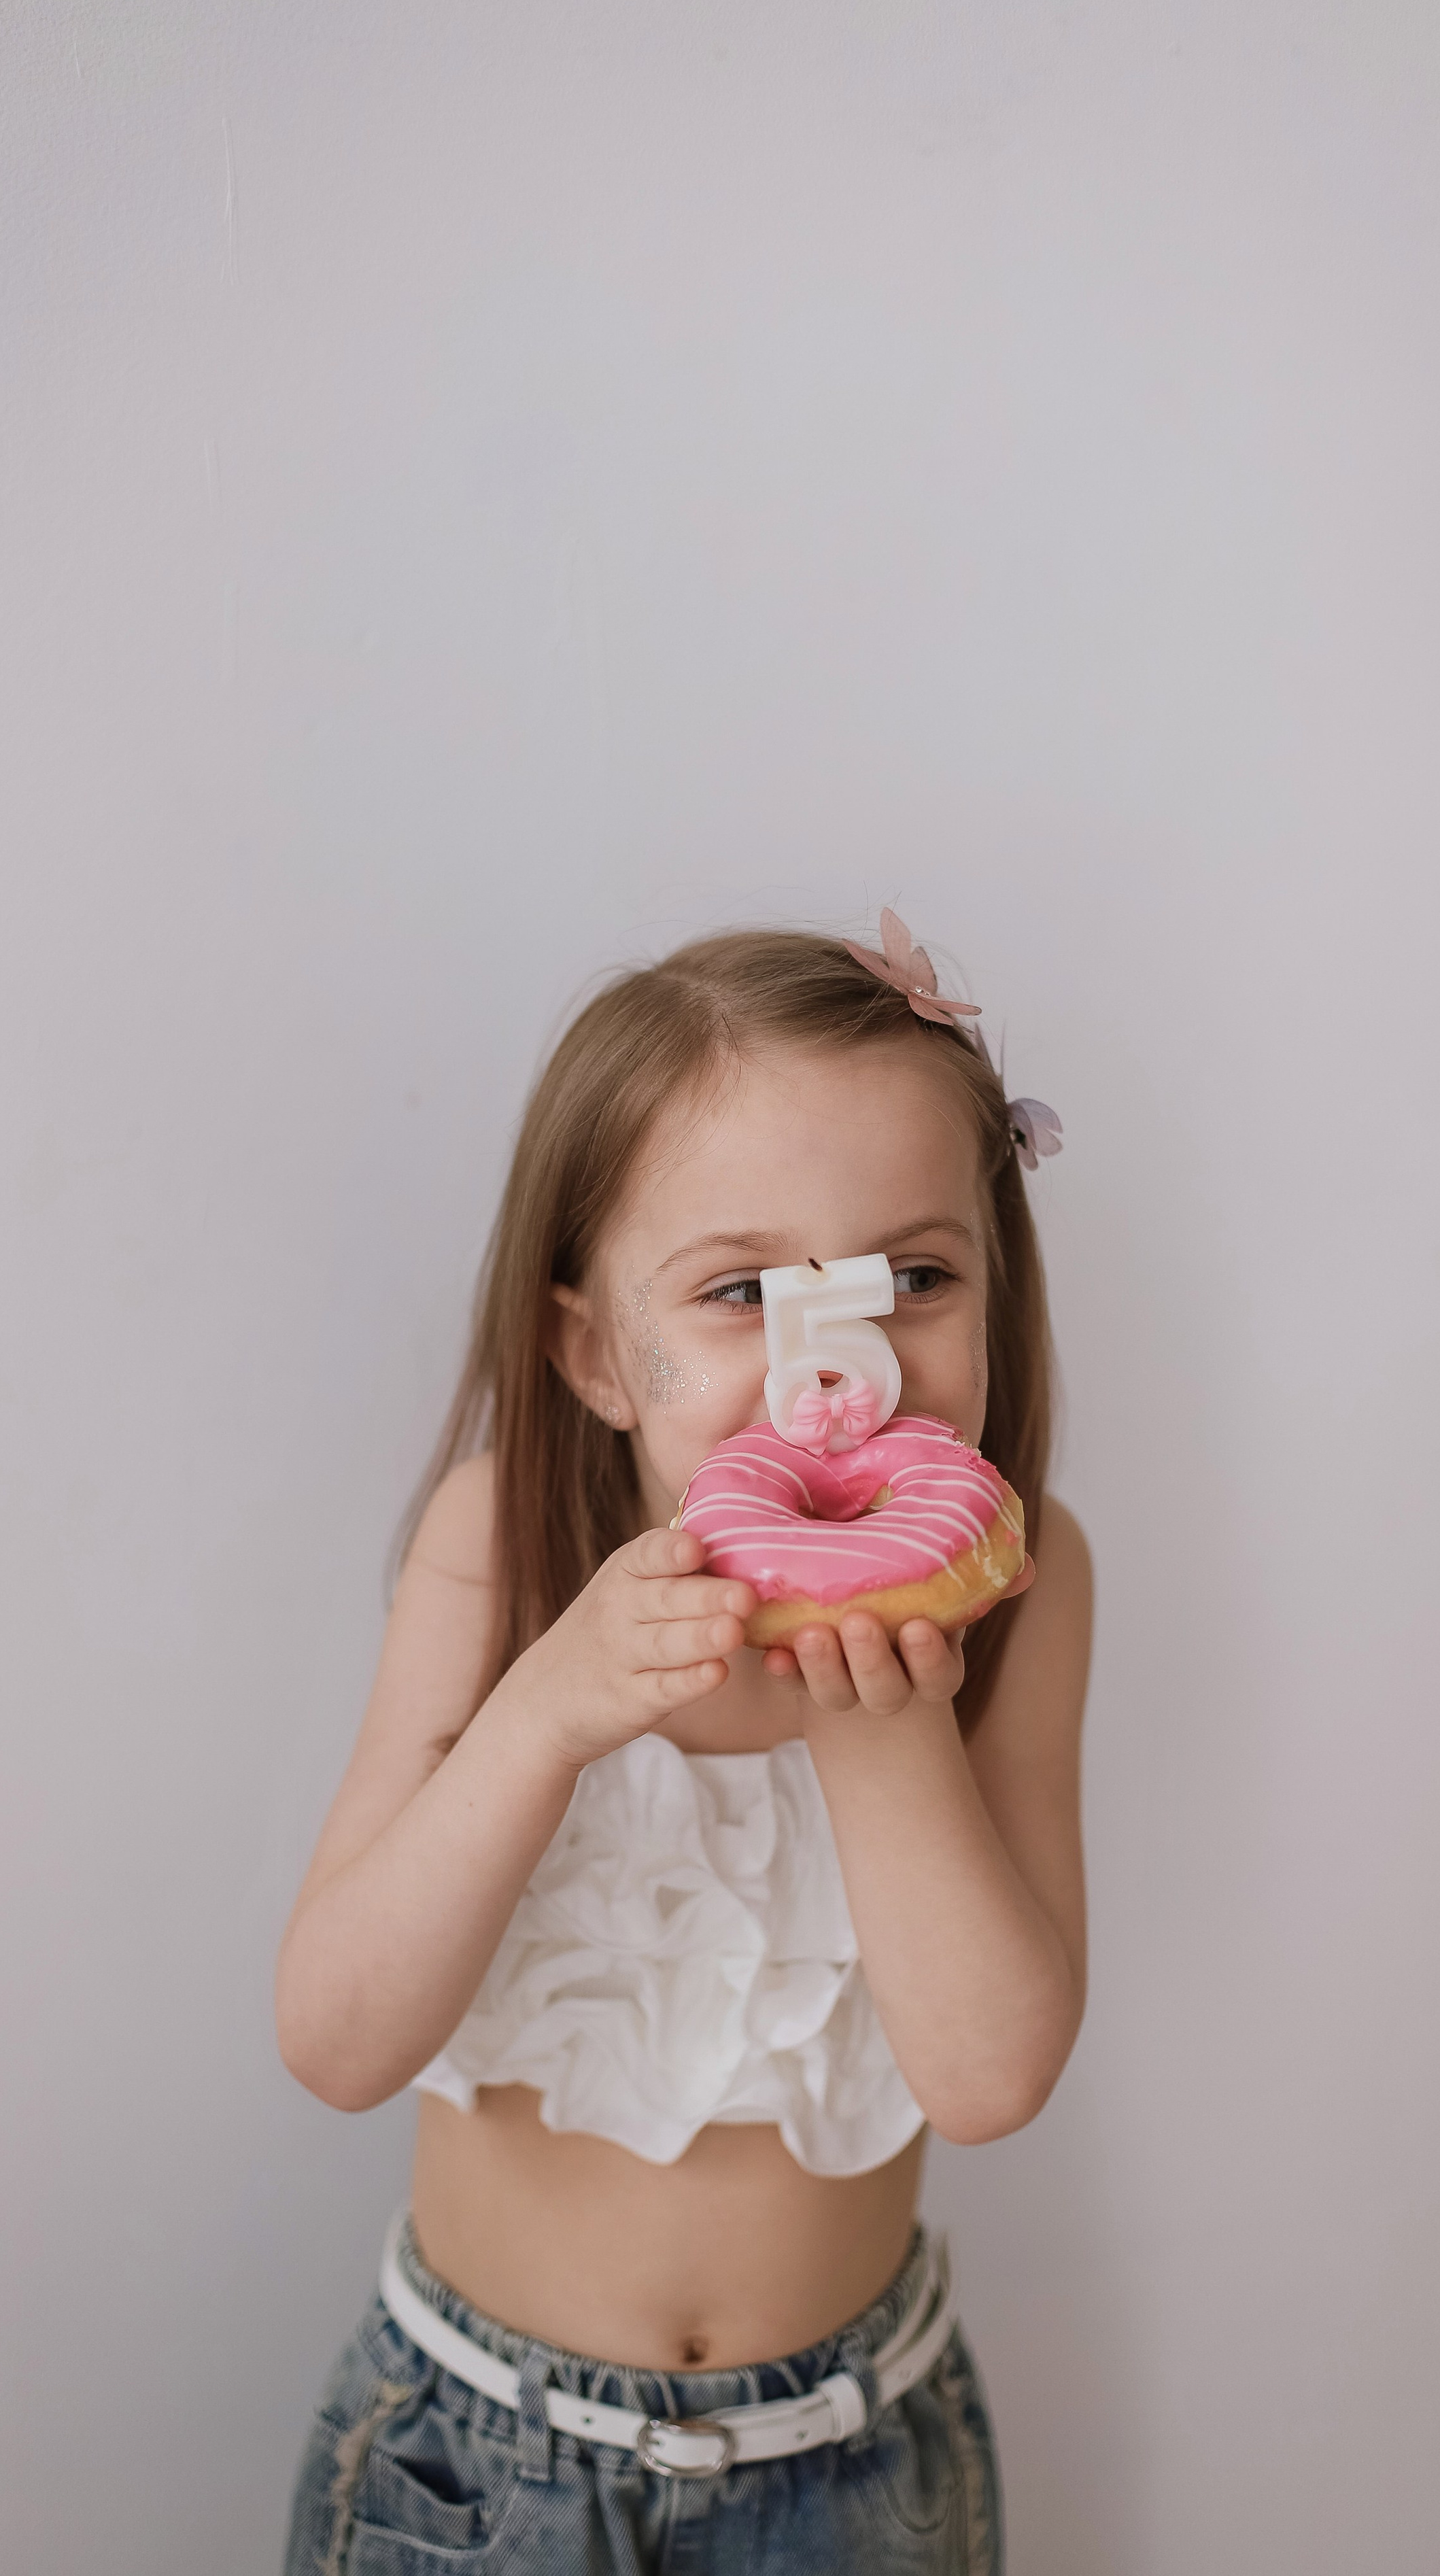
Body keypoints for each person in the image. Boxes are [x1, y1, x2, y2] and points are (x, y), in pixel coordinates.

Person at [276, 918, 1093, 2573]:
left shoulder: (1028, 1577)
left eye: (911, 1280)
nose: (837, 1372)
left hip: (850, 2470)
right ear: (596, 1354)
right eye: (741, 1295)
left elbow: (988, 2077)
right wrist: (546, 1713)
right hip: (473, 2457)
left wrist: (880, 1726)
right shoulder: (499, 1549)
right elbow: (338, 2041)